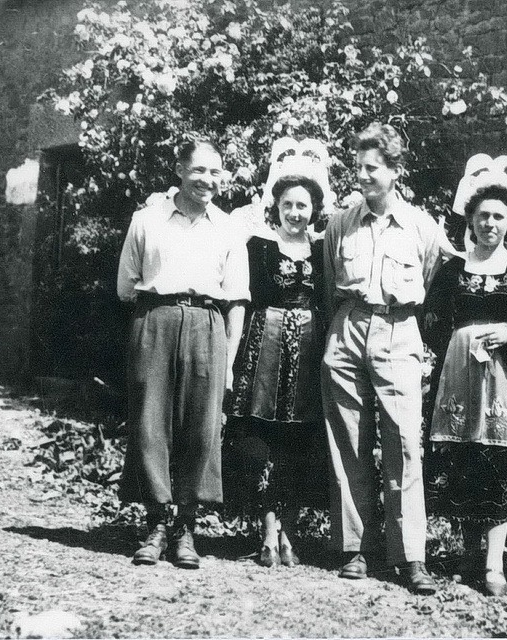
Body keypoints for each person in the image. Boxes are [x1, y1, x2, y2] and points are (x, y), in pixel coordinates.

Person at [321, 122, 446, 594]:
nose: (362, 175)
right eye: (358, 165)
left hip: (398, 330)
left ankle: (411, 555)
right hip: (348, 326)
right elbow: (329, 281)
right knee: (348, 441)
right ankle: (355, 547)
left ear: (396, 171)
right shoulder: (341, 223)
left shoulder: (421, 226)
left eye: (372, 167)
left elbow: (433, 278)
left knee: (404, 442)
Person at [117, 139, 249, 569]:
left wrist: (228, 361)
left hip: (208, 324)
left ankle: (187, 527)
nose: (207, 181)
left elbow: (237, 301)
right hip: (154, 318)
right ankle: (156, 523)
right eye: (198, 171)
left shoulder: (228, 228)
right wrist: (156, 317)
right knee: (150, 421)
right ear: (179, 169)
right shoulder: (147, 220)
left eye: (215, 172)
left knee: (201, 426)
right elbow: (125, 285)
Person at [423, 156, 507, 596]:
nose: (489, 224)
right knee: (464, 460)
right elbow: (432, 317)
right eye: (482, 216)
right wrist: (460, 341)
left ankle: (494, 565)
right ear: (471, 220)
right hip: (460, 378)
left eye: (498, 216)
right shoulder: (454, 268)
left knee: (497, 462)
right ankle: (468, 554)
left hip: (505, 380)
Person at [222, 138, 333, 568]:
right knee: (263, 440)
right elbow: (240, 299)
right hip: (264, 351)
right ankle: (267, 533)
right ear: (276, 206)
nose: (295, 213)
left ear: (314, 210)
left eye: (303, 206)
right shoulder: (257, 247)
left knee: (299, 441)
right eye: (288, 205)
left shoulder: (323, 251)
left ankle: (290, 532)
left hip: (308, 354)